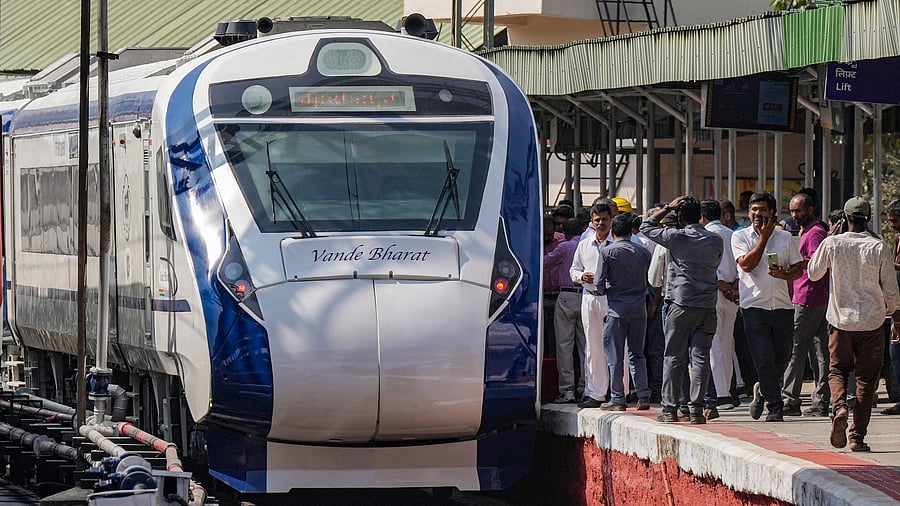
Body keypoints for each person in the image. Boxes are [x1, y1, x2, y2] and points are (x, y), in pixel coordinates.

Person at [807, 197, 900, 452]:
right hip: (872, 322)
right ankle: (857, 437)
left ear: (845, 218)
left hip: (841, 322)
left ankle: (839, 408)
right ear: (868, 219)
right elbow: (890, 288)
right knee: (866, 380)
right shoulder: (878, 247)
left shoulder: (832, 243)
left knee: (838, 371)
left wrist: (830, 237)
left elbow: (813, 273)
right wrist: (897, 318)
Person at [641, 196, 722, 424]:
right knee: (700, 358)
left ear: (680, 218)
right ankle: (697, 409)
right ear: (701, 216)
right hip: (707, 305)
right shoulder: (716, 239)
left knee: (673, 358)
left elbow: (645, 226)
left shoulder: (676, 237)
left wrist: (668, 206)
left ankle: (670, 409)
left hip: (680, 303)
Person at [731, 192, 803, 422]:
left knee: (782, 357)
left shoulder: (786, 237)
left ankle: (763, 389)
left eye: (762, 209)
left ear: (772, 212)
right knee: (763, 359)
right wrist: (763, 238)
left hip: (782, 306)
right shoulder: (740, 236)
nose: (757, 214)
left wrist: (785, 274)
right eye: (754, 209)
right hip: (754, 306)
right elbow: (747, 265)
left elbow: (798, 268)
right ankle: (775, 407)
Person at [781, 192, 831, 417]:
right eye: (792, 211)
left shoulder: (815, 233)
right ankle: (820, 400)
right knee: (819, 351)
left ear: (810, 210)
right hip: (811, 297)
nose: (794, 215)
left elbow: (817, 263)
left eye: (798, 211)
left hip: (808, 297)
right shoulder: (806, 231)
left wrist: (796, 265)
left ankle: (790, 399)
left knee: (796, 348)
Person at [596, 213, 652, 410]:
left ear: (613, 232)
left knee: (615, 357)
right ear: (631, 232)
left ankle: (618, 398)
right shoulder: (643, 251)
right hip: (639, 309)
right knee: (637, 354)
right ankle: (643, 395)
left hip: (616, 310)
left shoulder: (607, 252)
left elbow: (599, 283)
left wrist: (607, 289)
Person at [570, 202, 614, 408]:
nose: (601, 223)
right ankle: (596, 393)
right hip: (589, 297)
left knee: (617, 347)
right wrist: (581, 276)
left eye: (604, 219)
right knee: (592, 346)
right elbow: (573, 270)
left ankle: (619, 393)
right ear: (592, 221)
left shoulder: (617, 243)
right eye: (597, 220)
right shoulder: (584, 244)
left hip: (612, 298)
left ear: (611, 220)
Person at [700, 200, 739, 415]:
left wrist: (724, 287)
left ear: (703, 217)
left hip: (714, 292)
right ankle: (728, 391)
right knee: (727, 343)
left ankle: (720, 393)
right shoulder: (732, 234)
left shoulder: (705, 235)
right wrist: (733, 288)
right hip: (733, 293)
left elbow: (707, 268)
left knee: (714, 345)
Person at [545, 218, 586, 403]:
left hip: (566, 296)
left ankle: (567, 390)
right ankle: (586, 388)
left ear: (565, 232)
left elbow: (545, 263)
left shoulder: (564, 247)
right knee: (586, 346)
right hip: (586, 295)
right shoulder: (588, 245)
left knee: (564, 346)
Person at [879, 200, 900, 415]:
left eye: (894, 221)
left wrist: (888, 264)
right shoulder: (897, 238)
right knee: (895, 353)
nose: (892, 225)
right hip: (896, 302)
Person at [543, 215, 565, 358]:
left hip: (559, 294)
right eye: (544, 234)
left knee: (560, 332)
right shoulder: (533, 240)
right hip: (542, 295)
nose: (547, 238)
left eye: (550, 235)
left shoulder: (562, 241)